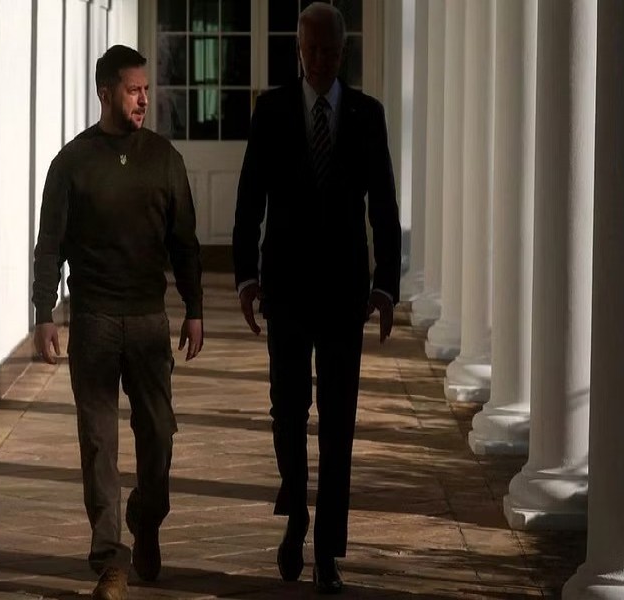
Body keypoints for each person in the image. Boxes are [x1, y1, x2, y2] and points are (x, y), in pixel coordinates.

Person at [232, 2, 400, 594]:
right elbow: (250, 196)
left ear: (342, 51)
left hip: (344, 293)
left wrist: (385, 287)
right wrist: (245, 277)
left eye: (331, 51)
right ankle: (296, 514)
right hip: (285, 285)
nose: (322, 61)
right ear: (298, 50)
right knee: (287, 412)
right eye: (313, 50)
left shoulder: (366, 114)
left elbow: (383, 204)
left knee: (339, 421)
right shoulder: (271, 111)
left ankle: (328, 550)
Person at [32, 44, 204, 600]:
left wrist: (195, 307)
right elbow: (49, 246)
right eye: (134, 90)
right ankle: (110, 560)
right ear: (105, 93)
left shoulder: (164, 159)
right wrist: (44, 314)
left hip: (150, 322)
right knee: (99, 442)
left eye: (146, 90)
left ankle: (146, 521)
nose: (144, 100)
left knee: (158, 435)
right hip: (96, 321)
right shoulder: (72, 163)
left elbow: (184, 241)